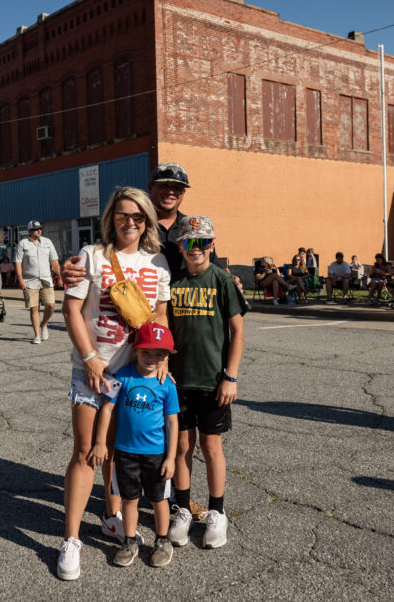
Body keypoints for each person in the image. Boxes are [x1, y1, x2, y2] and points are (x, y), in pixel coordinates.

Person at [57, 186, 171, 581]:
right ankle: (71, 540)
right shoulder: (92, 256)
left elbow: (160, 315)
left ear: (147, 221)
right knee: (86, 451)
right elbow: (71, 310)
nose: (130, 222)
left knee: (119, 452)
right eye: (123, 215)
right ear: (111, 218)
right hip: (95, 370)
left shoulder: (158, 262)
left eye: (138, 216)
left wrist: (162, 360)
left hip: (137, 375)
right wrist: (90, 358)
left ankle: (111, 515)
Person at [166, 215, 247, 551]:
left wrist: (231, 376)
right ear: (180, 247)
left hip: (213, 380)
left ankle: (217, 511)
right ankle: (183, 508)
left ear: (212, 245)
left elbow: (237, 330)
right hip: (178, 380)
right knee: (182, 446)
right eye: (189, 242)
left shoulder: (222, 280)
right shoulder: (173, 282)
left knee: (211, 446)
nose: (195, 248)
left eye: (202, 242)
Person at [90, 322, 179, 568]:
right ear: (136, 350)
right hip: (125, 453)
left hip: (156, 455)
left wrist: (171, 458)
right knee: (129, 500)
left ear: (167, 356)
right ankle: (129, 542)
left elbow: (172, 422)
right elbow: (107, 409)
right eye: (146, 352)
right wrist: (100, 442)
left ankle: (162, 541)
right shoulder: (123, 376)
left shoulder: (167, 385)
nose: (152, 358)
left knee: (158, 500)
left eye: (159, 354)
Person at [14, 220, 61, 344]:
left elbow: (54, 261)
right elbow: (17, 263)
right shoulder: (23, 244)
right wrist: (20, 280)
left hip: (46, 280)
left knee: (51, 305)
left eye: (40, 228)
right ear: (29, 231)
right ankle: (37, 335)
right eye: (36, 229)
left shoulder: (47, 242)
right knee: (34, 309)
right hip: (29, 281)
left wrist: (60, 276)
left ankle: (44, 324)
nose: (39, 231)